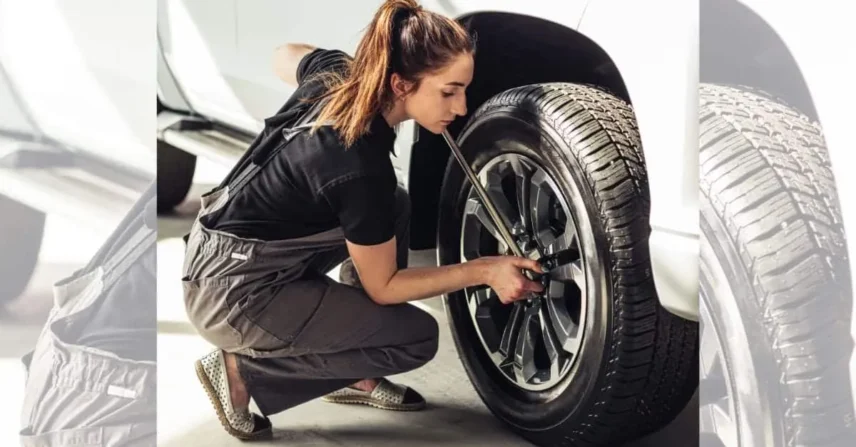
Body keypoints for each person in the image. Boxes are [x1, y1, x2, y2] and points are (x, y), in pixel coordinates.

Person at [182, 0, 545, 440]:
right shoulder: (356, 165)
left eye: (463, 90)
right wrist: (485, 270)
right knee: (415, 338)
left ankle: (357, 373)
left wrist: (334, 71)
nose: (462, 106)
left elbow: (285, 52)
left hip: (221, 251)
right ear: (399, 83)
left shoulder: (337, 75)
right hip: (233, 294)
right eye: (449, 91)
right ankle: (243, 371)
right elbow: (385, 286)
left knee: (396, 204)